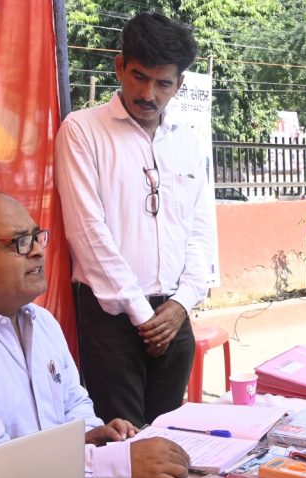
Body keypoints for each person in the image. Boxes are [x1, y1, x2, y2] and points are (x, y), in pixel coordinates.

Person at [0, 187, 190, 478]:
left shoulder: (41, 321)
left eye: (37, 237)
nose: (37, 250)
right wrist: (118, 464)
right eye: (19, 242)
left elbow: (75, 405)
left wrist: (92, 436)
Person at [55, 13, 214, 426]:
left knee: (170, 438)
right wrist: (142, 313)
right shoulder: (82, 131)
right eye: (139, 77)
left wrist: (183, 302)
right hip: (113, 320)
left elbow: (200, 229)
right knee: (121, 446)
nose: (149, 93)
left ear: (179, 83)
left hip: (175, 314)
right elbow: (88, 234)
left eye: (163, 83)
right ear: (119, 66)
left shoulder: (187, 140)